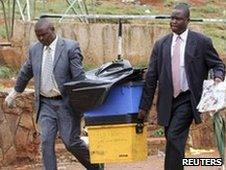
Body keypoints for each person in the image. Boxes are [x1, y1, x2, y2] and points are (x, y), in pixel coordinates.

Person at [4, 18, 103, 170]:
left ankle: (96, 166)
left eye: (44, 34)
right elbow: (25, 72)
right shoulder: (35, 50)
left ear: (52, 30)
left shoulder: (70, 47)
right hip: (45, 105)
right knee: (46, 142)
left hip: (66, 104)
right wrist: (15, 92)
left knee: (70, 142)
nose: (41, 38)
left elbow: (79, 78)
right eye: (38, 36)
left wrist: (84, 105)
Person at [137, 3, 225, 170]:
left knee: (174, 135)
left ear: (187, 20)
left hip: (187, 99)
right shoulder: (161, 44)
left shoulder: (201, 42)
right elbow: (151, 77)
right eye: (172, 18)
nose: (173, 22)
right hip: (167, 101)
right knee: (173, 140)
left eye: (178, 19)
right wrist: (144, 107)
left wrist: (218, 78)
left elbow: (218, 65)